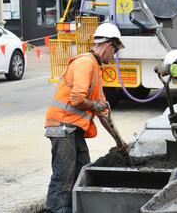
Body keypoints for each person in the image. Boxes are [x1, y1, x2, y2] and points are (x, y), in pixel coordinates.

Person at [44, 22, 128, 213]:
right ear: (108, 45)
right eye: (114, 51)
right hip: (62, 127)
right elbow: (76, 99)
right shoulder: (85, 63)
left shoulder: (96, 69)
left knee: (82, 171)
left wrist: (119, 141)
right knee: (63, 178)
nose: (113, 56)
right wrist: (95, 105)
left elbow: (103, 112)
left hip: (73, 129)